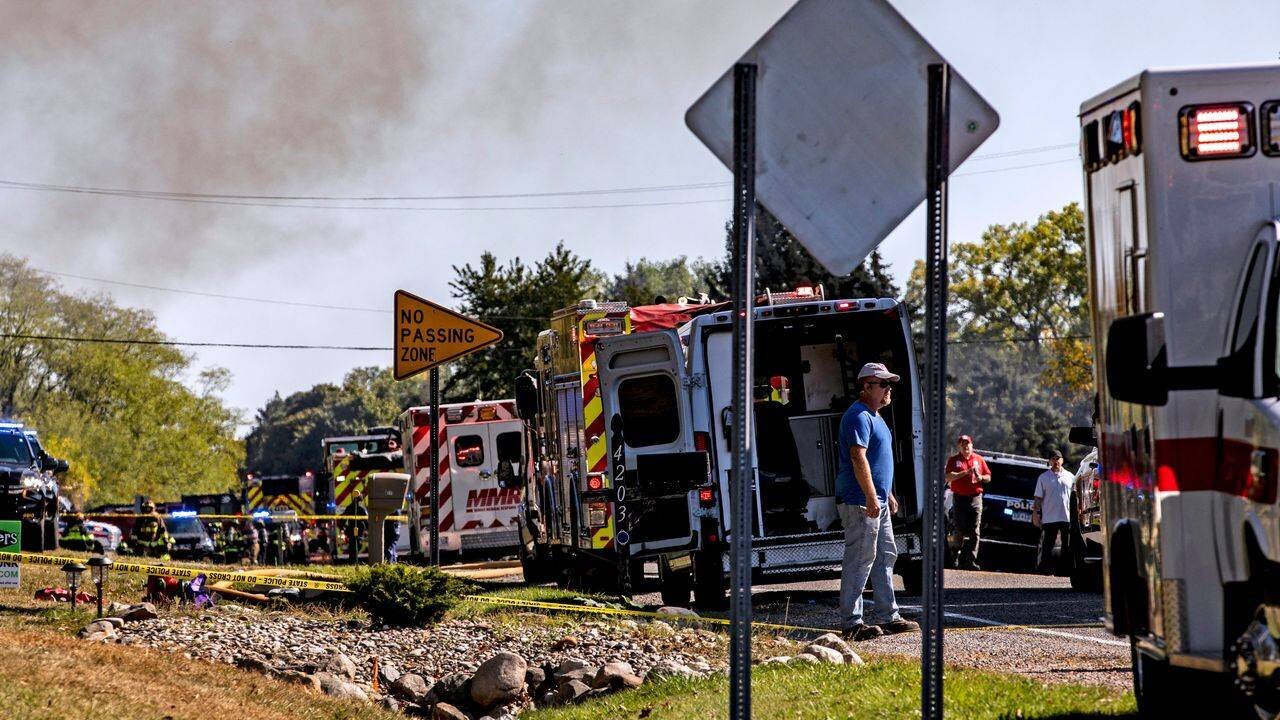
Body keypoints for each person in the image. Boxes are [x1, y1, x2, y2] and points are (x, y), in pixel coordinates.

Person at [836, 362, 919, 641]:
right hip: (860, 501)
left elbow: (877, 460)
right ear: (866, 387)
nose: (888, 390)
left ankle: (889, 616)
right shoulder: (858, 416)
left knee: (885, 555)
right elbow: (858, 458)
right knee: (860, 559)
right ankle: (851, 623)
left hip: (877, 500)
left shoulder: (875, 416)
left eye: (889, 384)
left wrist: (888, 494)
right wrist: (872, 496)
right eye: (883, 384)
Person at [945, 435, 991, 570]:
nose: (966, 446)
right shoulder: (954, 460)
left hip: (976, 498)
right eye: (963, 444)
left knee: (975, 531)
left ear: (972, 445)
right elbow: (948, 476)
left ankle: (971, 560)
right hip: (960, 499)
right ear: (959, 446)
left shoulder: (979, 459)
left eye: (968, 444)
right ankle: (955, 554)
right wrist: (965, 472)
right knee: (959, 529)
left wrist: (981, 477)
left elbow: (988, 477)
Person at [1033, 449, 1075, 575]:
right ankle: (1044, 569)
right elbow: (1038, 497)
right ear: (1049, 461)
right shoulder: (1043, 477)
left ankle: (1064, 570)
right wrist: (1035, 513)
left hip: (1066, 517)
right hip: (1049, 517)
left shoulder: (1070, 476)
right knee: (1047, 545)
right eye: (1053, 459)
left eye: (1058, 458)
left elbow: (1075, 496)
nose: (1056, 461)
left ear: (1062, 460)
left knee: (1066, 546)